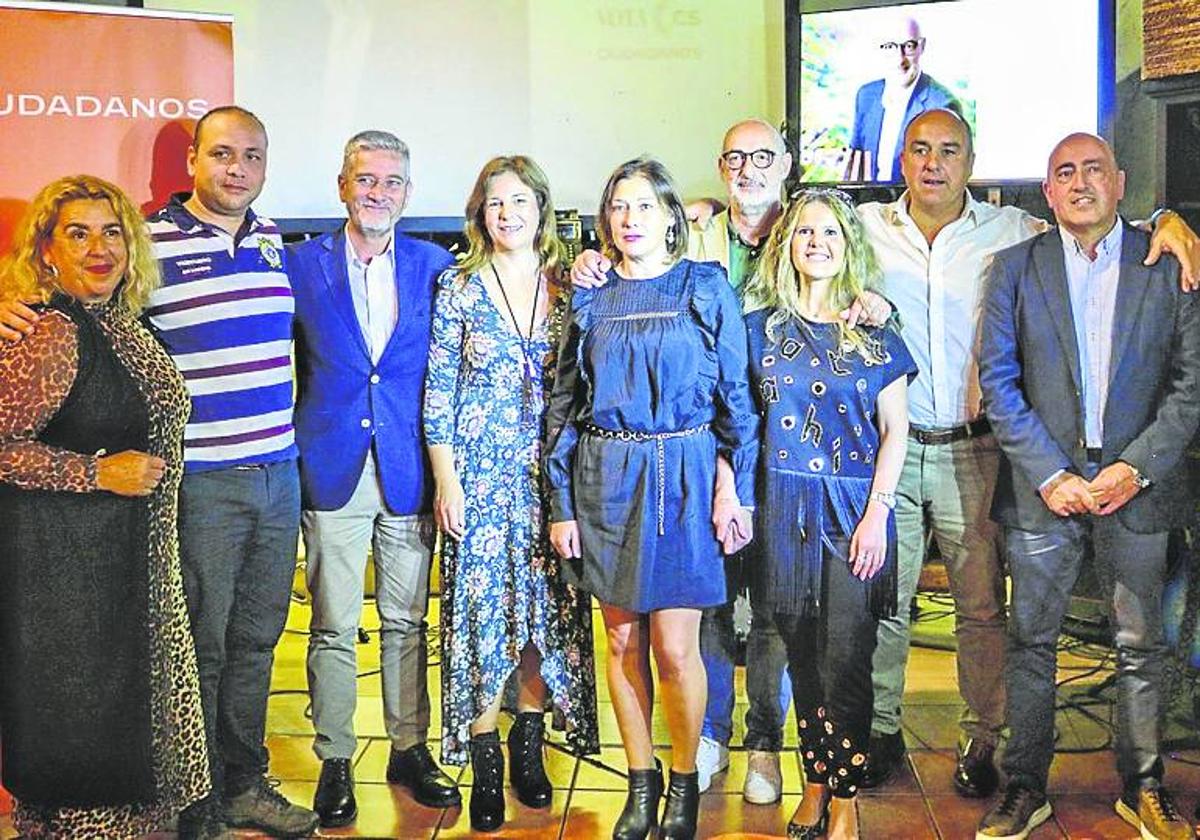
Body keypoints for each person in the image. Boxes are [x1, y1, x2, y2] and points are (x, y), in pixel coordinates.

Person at [976, 133, 1200, 840]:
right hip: (1047, 491)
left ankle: (1144, 787)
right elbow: (1000, 384)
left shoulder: (1167, 265)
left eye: (1093, 169)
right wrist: (1051, 474)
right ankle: (1023, 787)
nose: (1079, 183)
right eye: (1064, 172)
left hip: (1140, 485)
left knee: (1141, 644)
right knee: (1031, 641)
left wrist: (1135, 468)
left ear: (1121, 181)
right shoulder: (1015, 267)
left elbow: (1190, 386)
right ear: (1047, 192)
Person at [544, 156, 758, 840]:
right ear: (606, 221)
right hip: (606, 478)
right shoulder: (590, 297)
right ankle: (641, 783)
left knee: (675, 646)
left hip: (686, 476)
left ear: (672, 216)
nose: (630, 219)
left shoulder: (705, 285)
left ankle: (686, 778)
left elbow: (738, 402)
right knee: (621, 639)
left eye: (644, 206)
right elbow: (563, 406)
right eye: (619, 207)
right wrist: (560, 505)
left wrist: (735, 487)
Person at [0, 175, 209, 838]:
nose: (99, 248)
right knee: (89, 754)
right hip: (74, 588)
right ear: (47, 252)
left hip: (134, 570)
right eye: (78, 233)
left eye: (112, 231)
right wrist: (94, 472)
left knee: (134, 753)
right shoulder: (56, 330)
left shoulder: (120, 322)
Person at [287, 130, 462, 828]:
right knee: (332, 623)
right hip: (331, 466)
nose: (377, 192)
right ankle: (334, 757)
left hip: (408, 469)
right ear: (341, 186)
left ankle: (408, 748)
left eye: (391, 181)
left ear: (408, 194)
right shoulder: (299, 265)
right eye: (365, 179)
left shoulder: (436, 266)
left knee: (406, 622)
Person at [423, 155, 599, 832]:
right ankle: (486, 755)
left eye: (520, 201)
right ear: (480, 213)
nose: (508, 214)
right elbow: (438, 392)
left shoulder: (569, 284)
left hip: (552, 480)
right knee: (481, 616)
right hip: (480, 477)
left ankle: (530, 746)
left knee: (546, 617)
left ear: (541, 208)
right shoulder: (460, 285)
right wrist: (448, 479)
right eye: (496, 203)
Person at [743, 188, 914, 839]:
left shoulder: (875, 332)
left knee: (847, 659)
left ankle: (844, 796)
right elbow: (741, 422)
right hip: (783, 511)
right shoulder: (759, 329)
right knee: (803, 658)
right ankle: (814, 782)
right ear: (787, 243)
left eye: (830, 234)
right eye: (805, 232)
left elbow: (895, 430)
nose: (816, 242)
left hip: (853, 509)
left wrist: (878, 514)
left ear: (849, 247)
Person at [845, 16, 961, 183]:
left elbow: (946, 181)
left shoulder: (943, 104)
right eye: (890, 46)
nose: (900, 59)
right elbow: (855, 162)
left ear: (922, 47)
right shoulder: (866, 95)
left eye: (908, 46)